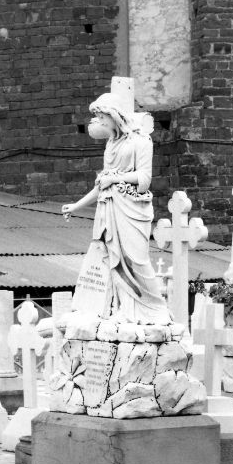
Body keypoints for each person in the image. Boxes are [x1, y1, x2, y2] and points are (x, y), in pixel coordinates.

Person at [62, 87, 171, 324]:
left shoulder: (141, 141)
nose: (98, 121)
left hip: (132, 208)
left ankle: (156, 310)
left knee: (136, 259)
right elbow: (101, 184)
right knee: (114, 259)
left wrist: (115, 178)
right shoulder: (110, 144)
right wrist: (76, 206)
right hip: (108, 207)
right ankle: (124, 309)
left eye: (102, 116)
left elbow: (144, 180)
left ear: (115, 115)